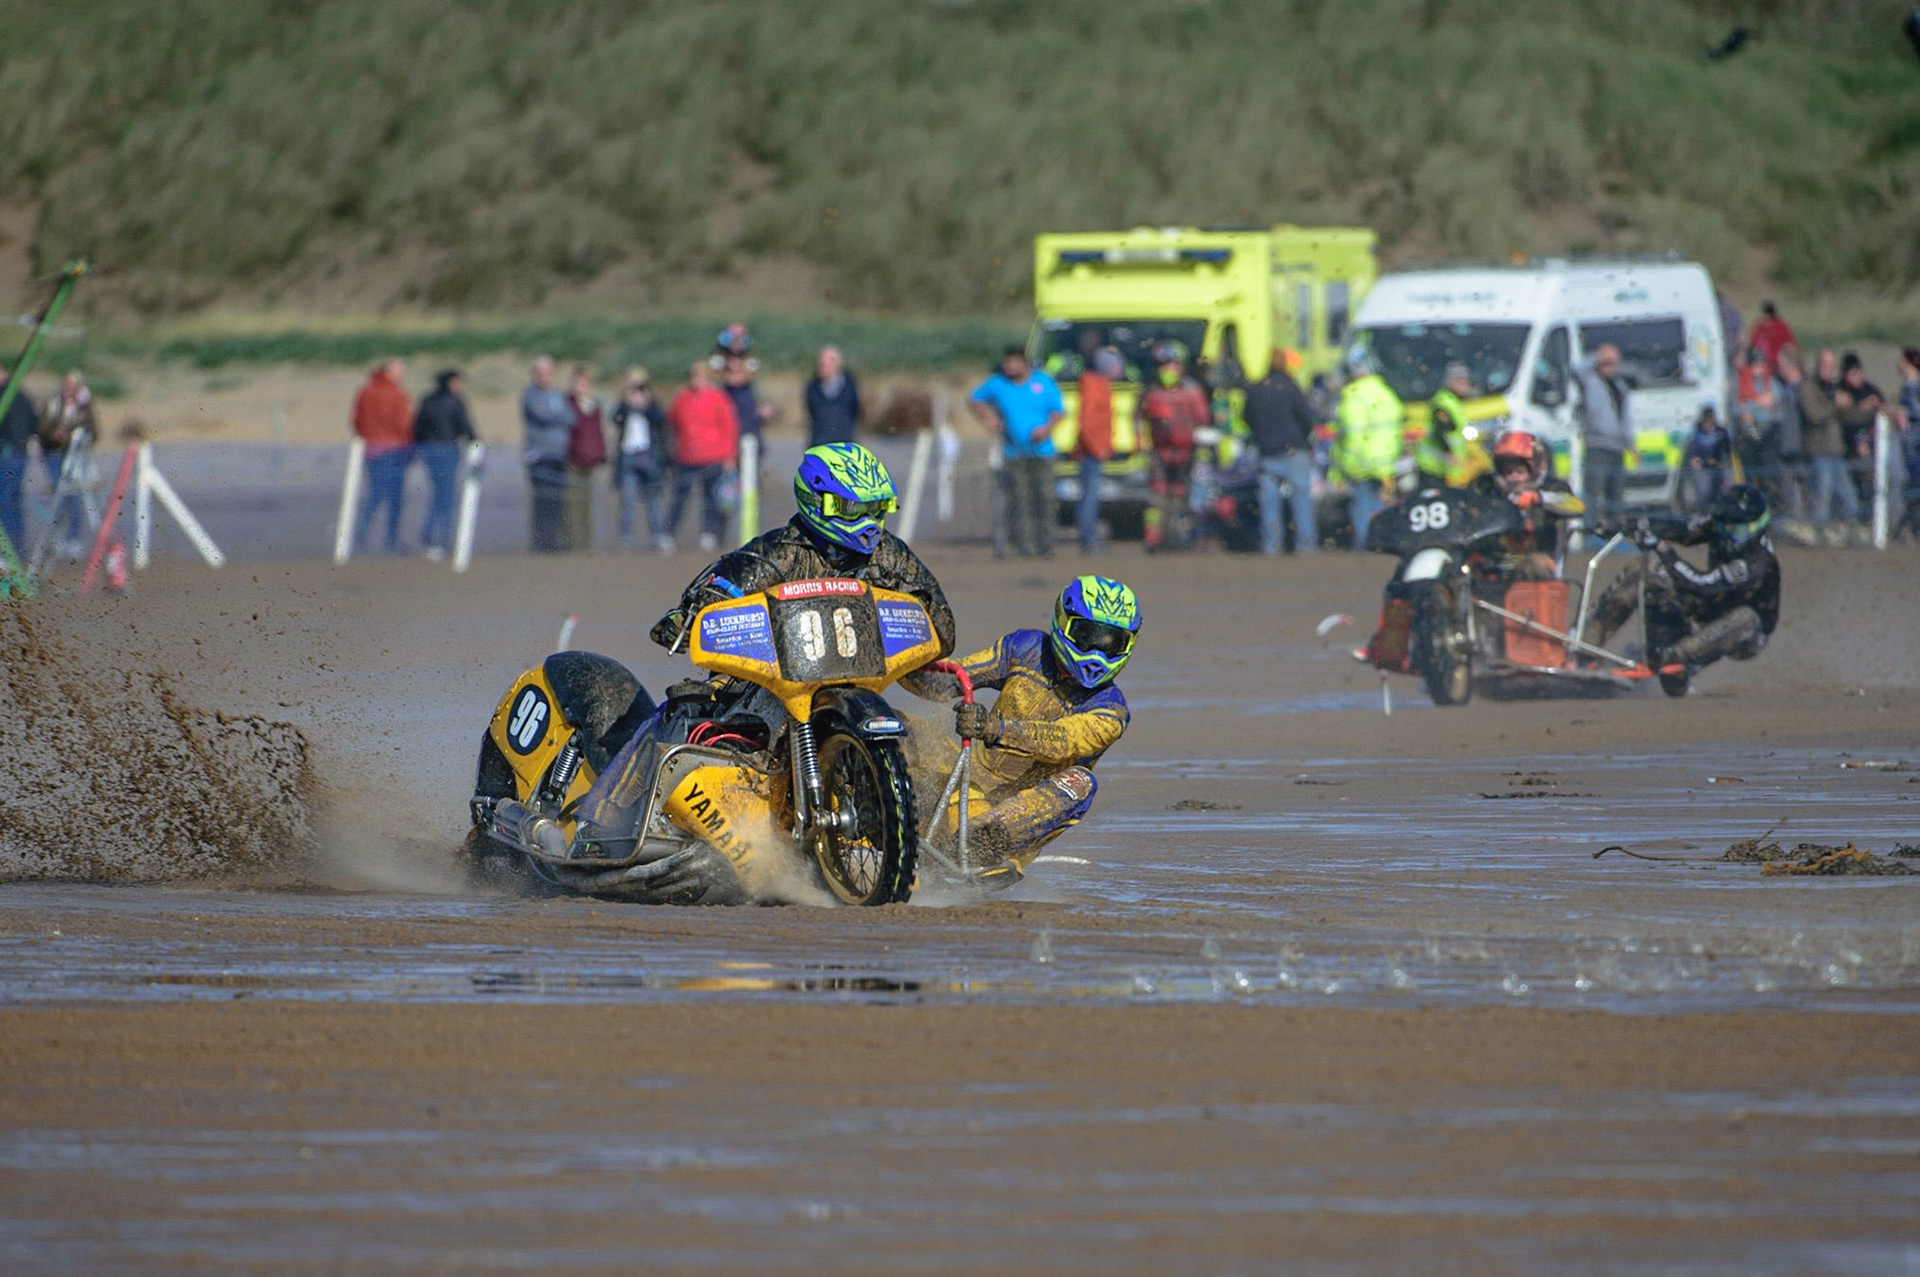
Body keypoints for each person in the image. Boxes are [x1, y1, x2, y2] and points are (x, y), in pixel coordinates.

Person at [577, 444, 958, 841]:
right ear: (818, 502)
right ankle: (604, 820)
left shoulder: (891, 556)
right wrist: (689, 615)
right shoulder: (774, 553)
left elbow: (942, 627)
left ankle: (936, 830)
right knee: (676, 716)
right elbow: (709, 596)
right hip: (766, 687)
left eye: (878, 509)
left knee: (923, 741)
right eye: (854, 510)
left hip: (857, 687)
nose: (870, 522)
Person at [911, 575, 1138, 882]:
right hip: (962, 779)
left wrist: (995, 728)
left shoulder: (1111, 710)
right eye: (1087, 635)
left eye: (1111, 643)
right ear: (1063, 621)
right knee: (892, 725)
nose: (1096, 653)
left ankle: (980, 846)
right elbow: (948, 680)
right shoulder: (1026, 648)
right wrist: (899, 654)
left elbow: (1063, 740)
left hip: (1012, 827)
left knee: (1081, 782)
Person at [1582, 484, 1781, 676]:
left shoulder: (1757, 563)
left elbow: (1701, 584)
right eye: (1724, 527)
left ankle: (1675, 660)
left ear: (1757, 527)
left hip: (1743, 636)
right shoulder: (1720, 527)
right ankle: (1584, 645)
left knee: (1745, 618)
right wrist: (1628, 525)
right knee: (1645, 568)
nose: (1727, 535)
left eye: (1735, 531)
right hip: (1706, 610)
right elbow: (1682, 530)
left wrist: (1663, 550)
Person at [969, 346, 1063, 558]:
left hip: (1043, 452)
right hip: (1013, 452)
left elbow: (1058, 411)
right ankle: (1023, 545)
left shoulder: (1043, 383)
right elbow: (975, 400)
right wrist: (989, 419)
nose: (1009, 367)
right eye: (1006, 363)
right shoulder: (998, 384)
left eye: (1013, 362)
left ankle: (1046, 544)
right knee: (1019, 500)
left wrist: (1045, 429)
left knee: (1044, 498)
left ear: (1024, 363)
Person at [1133, 341, 1211, 553]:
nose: (1167, 370)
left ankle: (1181, 535)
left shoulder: (1193, 392)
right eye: (1162, 365)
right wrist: (1141, 447)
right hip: (1159, 452)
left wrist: (1201, 445)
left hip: (1187, 452)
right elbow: (1138, 421)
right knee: (1156, 497)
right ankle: (1153, 537)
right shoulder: (1150, 392)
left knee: (1182, 496)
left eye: (1171, 364)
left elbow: (1203, 419)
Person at [1242, 346, 1317, 555]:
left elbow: (1247, 418)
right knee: (1301, 500)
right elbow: (1307, 417)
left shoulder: (1257, 389)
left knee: (1269, 504)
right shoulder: (1291, 387)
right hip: (1294, 451)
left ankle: (1272, 546)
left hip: (1267, 452)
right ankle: (1305, 545)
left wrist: (1262, 435)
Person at [666, 360, 740, 553]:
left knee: (711, 499)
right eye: (693, 375)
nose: (696, 379)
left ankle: (708, 533)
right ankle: (668, 534)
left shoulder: (718, 398)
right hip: (686, 457)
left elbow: (729, 427)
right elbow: (671, 423)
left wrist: (729, 456)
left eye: (700, 375)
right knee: (680, 498)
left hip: (713, 457)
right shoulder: (682, 398)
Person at [1331, 351, 1402, 550]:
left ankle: (1363, 545)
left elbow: (1353, 433)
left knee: (1361, 506)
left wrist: (1344, 464)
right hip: (1385, 461)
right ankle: (1379, 543)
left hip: (1360, 462)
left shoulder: (1354, 395)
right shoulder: (1386, 392)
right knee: (1378, 506)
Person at [1490, 428, 1580, 578]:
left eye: (1519, 471)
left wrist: (1537, 498)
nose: (1513, 477)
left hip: (1539, 563)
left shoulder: (1554, 488)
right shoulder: (1487, 488)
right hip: (1496, 559)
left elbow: (1577, 507)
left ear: (1535, 468)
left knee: (1533, 564)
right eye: (1508, 471)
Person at [411, 367, 477, 561]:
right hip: (447, 451)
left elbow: (417, 426)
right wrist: (476, 442)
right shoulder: (454, 401)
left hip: (430, 451)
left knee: (438, 494)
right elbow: (465, 426)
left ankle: (429, 536)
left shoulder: (428, 400)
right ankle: (444, 538)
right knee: (446, 496)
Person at [350, 358, 413, 555]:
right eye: (399, 372)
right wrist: (408, 447)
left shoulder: (365, 391)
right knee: (393, 497)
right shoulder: (396, 394)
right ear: (390, 372)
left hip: (371, 449)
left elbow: (357, 420)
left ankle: (361, 534)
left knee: (375, 494)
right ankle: (390, 539)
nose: (402, 375)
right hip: (393, 450)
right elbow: (403, 423)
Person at [35, 369, 96, 558]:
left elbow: (93, 431)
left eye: (73, 385)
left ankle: (73, 540)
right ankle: (54, 538)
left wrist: (71, 434)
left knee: (75, 498)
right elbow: (41, 426)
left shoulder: (85, 407)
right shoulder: (53, 403)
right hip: (53, 454)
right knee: (57, 497)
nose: (70, 389)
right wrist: (53, 434)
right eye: (67, 384)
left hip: (75, 456)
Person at [1799, 348, 1858, 532]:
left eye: (1831, 366)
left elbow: (1847, 415)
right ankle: (1819, 534)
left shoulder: (1834, 387)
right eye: (1825, 365)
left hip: (1837, 452)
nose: (1828, 369)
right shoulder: (1808, 387)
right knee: (1821, 499)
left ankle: (1851, 532)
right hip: (1819, 452)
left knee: (1849, 498)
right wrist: (1836, 406)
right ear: (1817, 365)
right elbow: (1814, 414)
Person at [611, 368, 669, 552]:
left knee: (653, 499)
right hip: (628, 456)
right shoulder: (624, 404)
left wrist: (647, 403)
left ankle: (657, 536)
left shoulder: (651, 403)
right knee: (627, 499)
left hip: (649, 456)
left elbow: (661, 419)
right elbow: (615, 419)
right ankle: (626, 538)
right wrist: (626, 403)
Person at [1572, 343, 1631, 524]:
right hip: (1596, 445)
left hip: (1617, 446)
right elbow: (1576, 369)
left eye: (1613, 363)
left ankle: (1614, 532)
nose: (1609, 367)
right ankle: (1591, 530)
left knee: (1615, 494)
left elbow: (1626, 418)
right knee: (1594, 491)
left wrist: (1631, 445)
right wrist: (1597, 357)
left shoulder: (1619, 386)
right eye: (1606, 363)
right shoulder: (1590, 381)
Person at [1414, 362, 1493, 492]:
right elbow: (1440, 430)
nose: (1467, 385)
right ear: (1451, 382)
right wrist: (1449, 452)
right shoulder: (1444, 402)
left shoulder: (1454, 401)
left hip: (1444, 468)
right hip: (1433, 465)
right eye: (1462, 381)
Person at [521, 355, 573, 553]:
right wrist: (557, 416)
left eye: (548, 373)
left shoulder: (558, 395)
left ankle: (552, 540)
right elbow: (542, 415)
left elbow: (571, 418)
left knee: (556, 500)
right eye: (541, 373)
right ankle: (540, 541)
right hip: (538, 456)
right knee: (541, 500)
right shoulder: (530, 395)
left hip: (558, 456)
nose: (545, 377)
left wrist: (556, 416)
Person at [1072, 348, 1121, 553]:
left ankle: (1089, 537)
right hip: (1091, 453)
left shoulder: (1101, 385)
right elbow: (1088, 422)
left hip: (1095, 450)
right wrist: (1097, 448)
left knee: (1090, 495)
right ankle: (1088, 538)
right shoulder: (1094, 386)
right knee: (1089, 497)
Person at [563, 364, 608, 552]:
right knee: (572, 502)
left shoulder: (594, 405)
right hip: (572, 458)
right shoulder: (567, 403)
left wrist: (602, 454)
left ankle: (586, 542)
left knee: (587, 502)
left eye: (583, 383)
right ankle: (574, 542)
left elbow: (597, 432)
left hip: (590, 458)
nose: (579, 386)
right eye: (577, 382)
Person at [1836, 352, 1886, 513]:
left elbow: (1883, 409)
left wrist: (1877, 407)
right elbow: (1844, 420)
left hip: (1873, 445)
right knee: (1854, 484)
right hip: (1849, 447)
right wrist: (1861, 410)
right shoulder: (1842, 393)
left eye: (1859, 372)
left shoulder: (1870, 389)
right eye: (1852, 373)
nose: (1857, 377)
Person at [0, 362, 37, 555]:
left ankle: (8, 553)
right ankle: (16, 551)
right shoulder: (22, 395)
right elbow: (34, 423)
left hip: (8, 456)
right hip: (20, 454)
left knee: (6, 502)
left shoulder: (5, 395)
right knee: (13, 502)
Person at [804, 345, 861, 447]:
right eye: (821, 364)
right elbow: (811, 410)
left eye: (826, 364)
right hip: (819, 444)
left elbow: (855, 409)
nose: (822, 367)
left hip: (844, 444)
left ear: (837, 364)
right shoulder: (812, 387)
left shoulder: (849, 385)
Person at [1683, 405, 1732, 512]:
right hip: (1704, 467)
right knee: (1703, 486)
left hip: (1719, 466)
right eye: (1707, 422)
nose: (1709, 425)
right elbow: (1693, 455)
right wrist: (1696, 460)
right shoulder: (1696, 435)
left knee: (1727, 479)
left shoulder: (1721, 433)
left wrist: (1724, 461)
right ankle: (1703, 508)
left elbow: (1728, 450)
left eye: (1711, 421)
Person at [1748, 301, 1797, 376]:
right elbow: (1792, 344)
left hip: (1769, 364)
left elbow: (1753, 343)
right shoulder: (1781, 325)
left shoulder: (1761, 326)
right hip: (1777, 364)